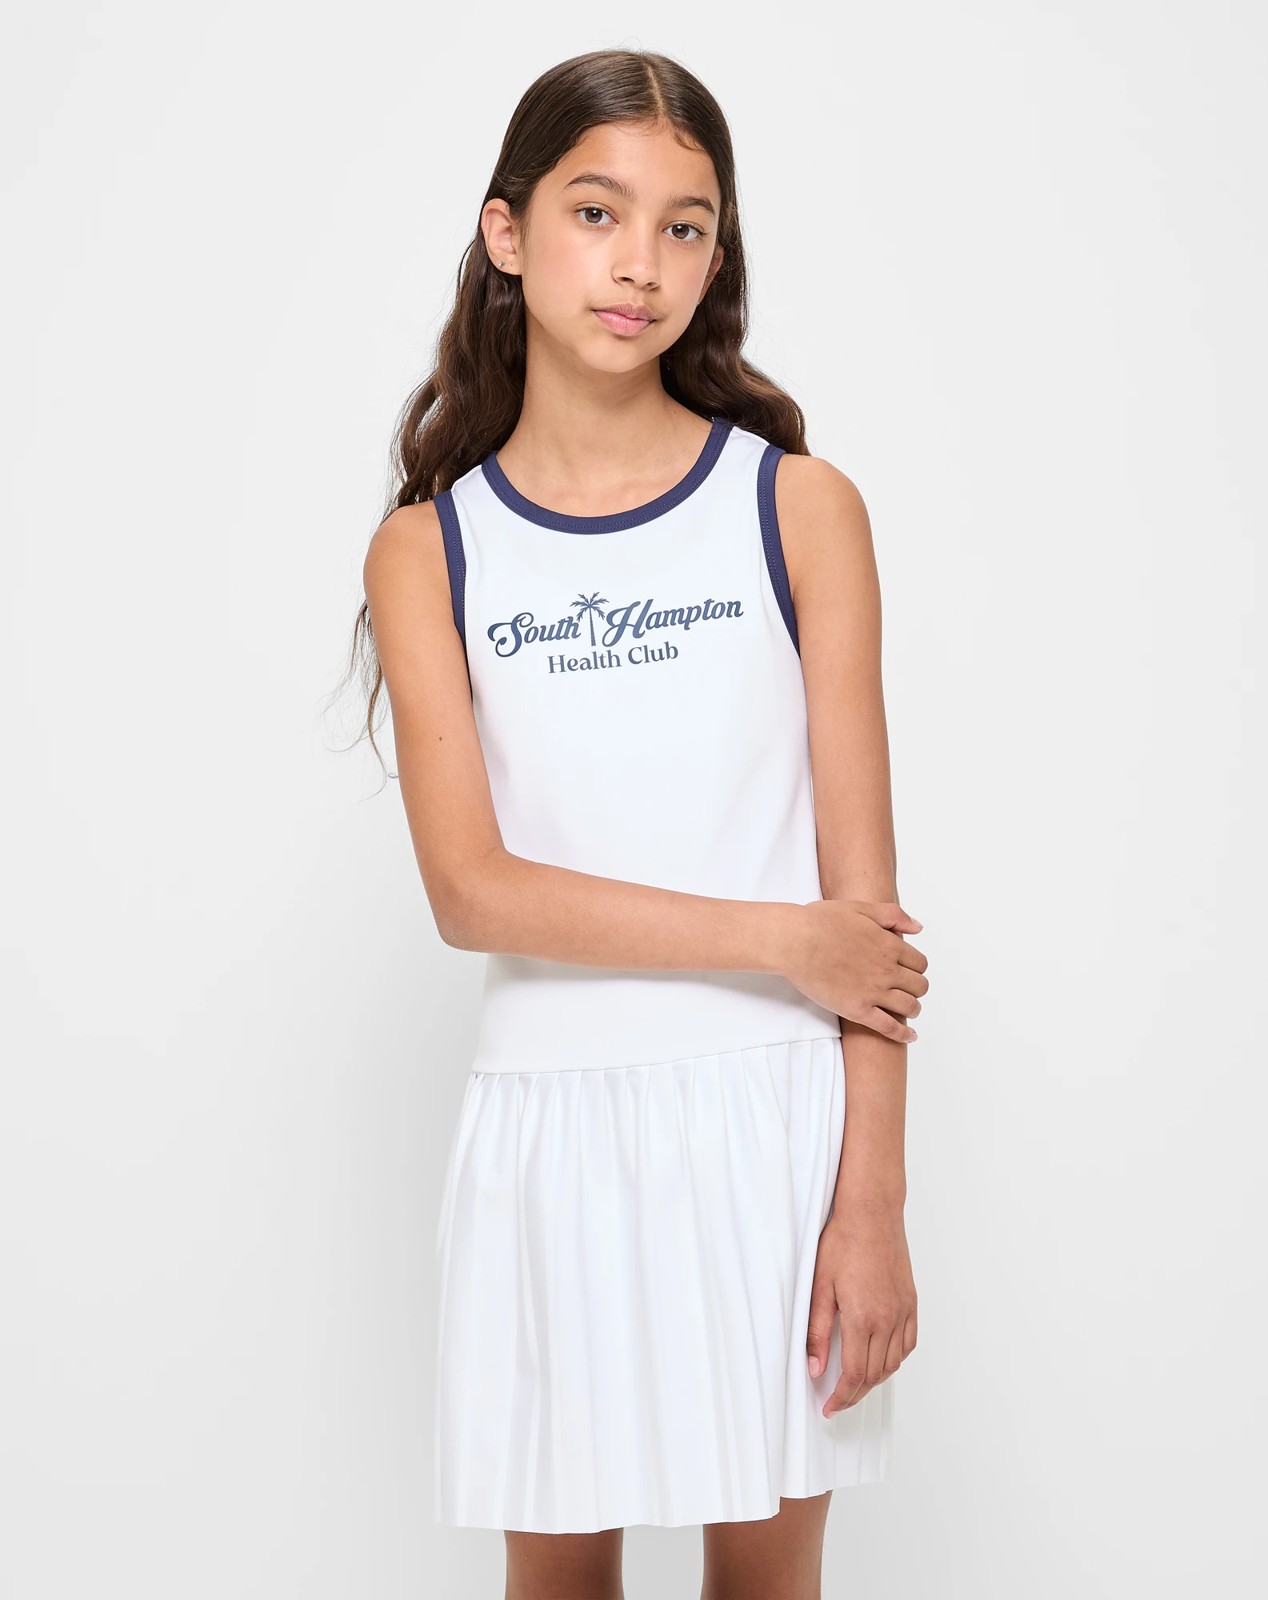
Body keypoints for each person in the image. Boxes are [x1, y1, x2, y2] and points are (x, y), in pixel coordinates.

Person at [356, 46, 928, 1600]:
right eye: (597, 212)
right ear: (508, 232)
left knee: (767, 1583)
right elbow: (472, 893)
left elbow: (868, 923)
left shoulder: (796, 507)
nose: (643, 263)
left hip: (777, 1131)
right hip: (550, 1135)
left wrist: (871, 1207)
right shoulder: (430, 552)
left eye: (687, 227)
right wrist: (782, 941)